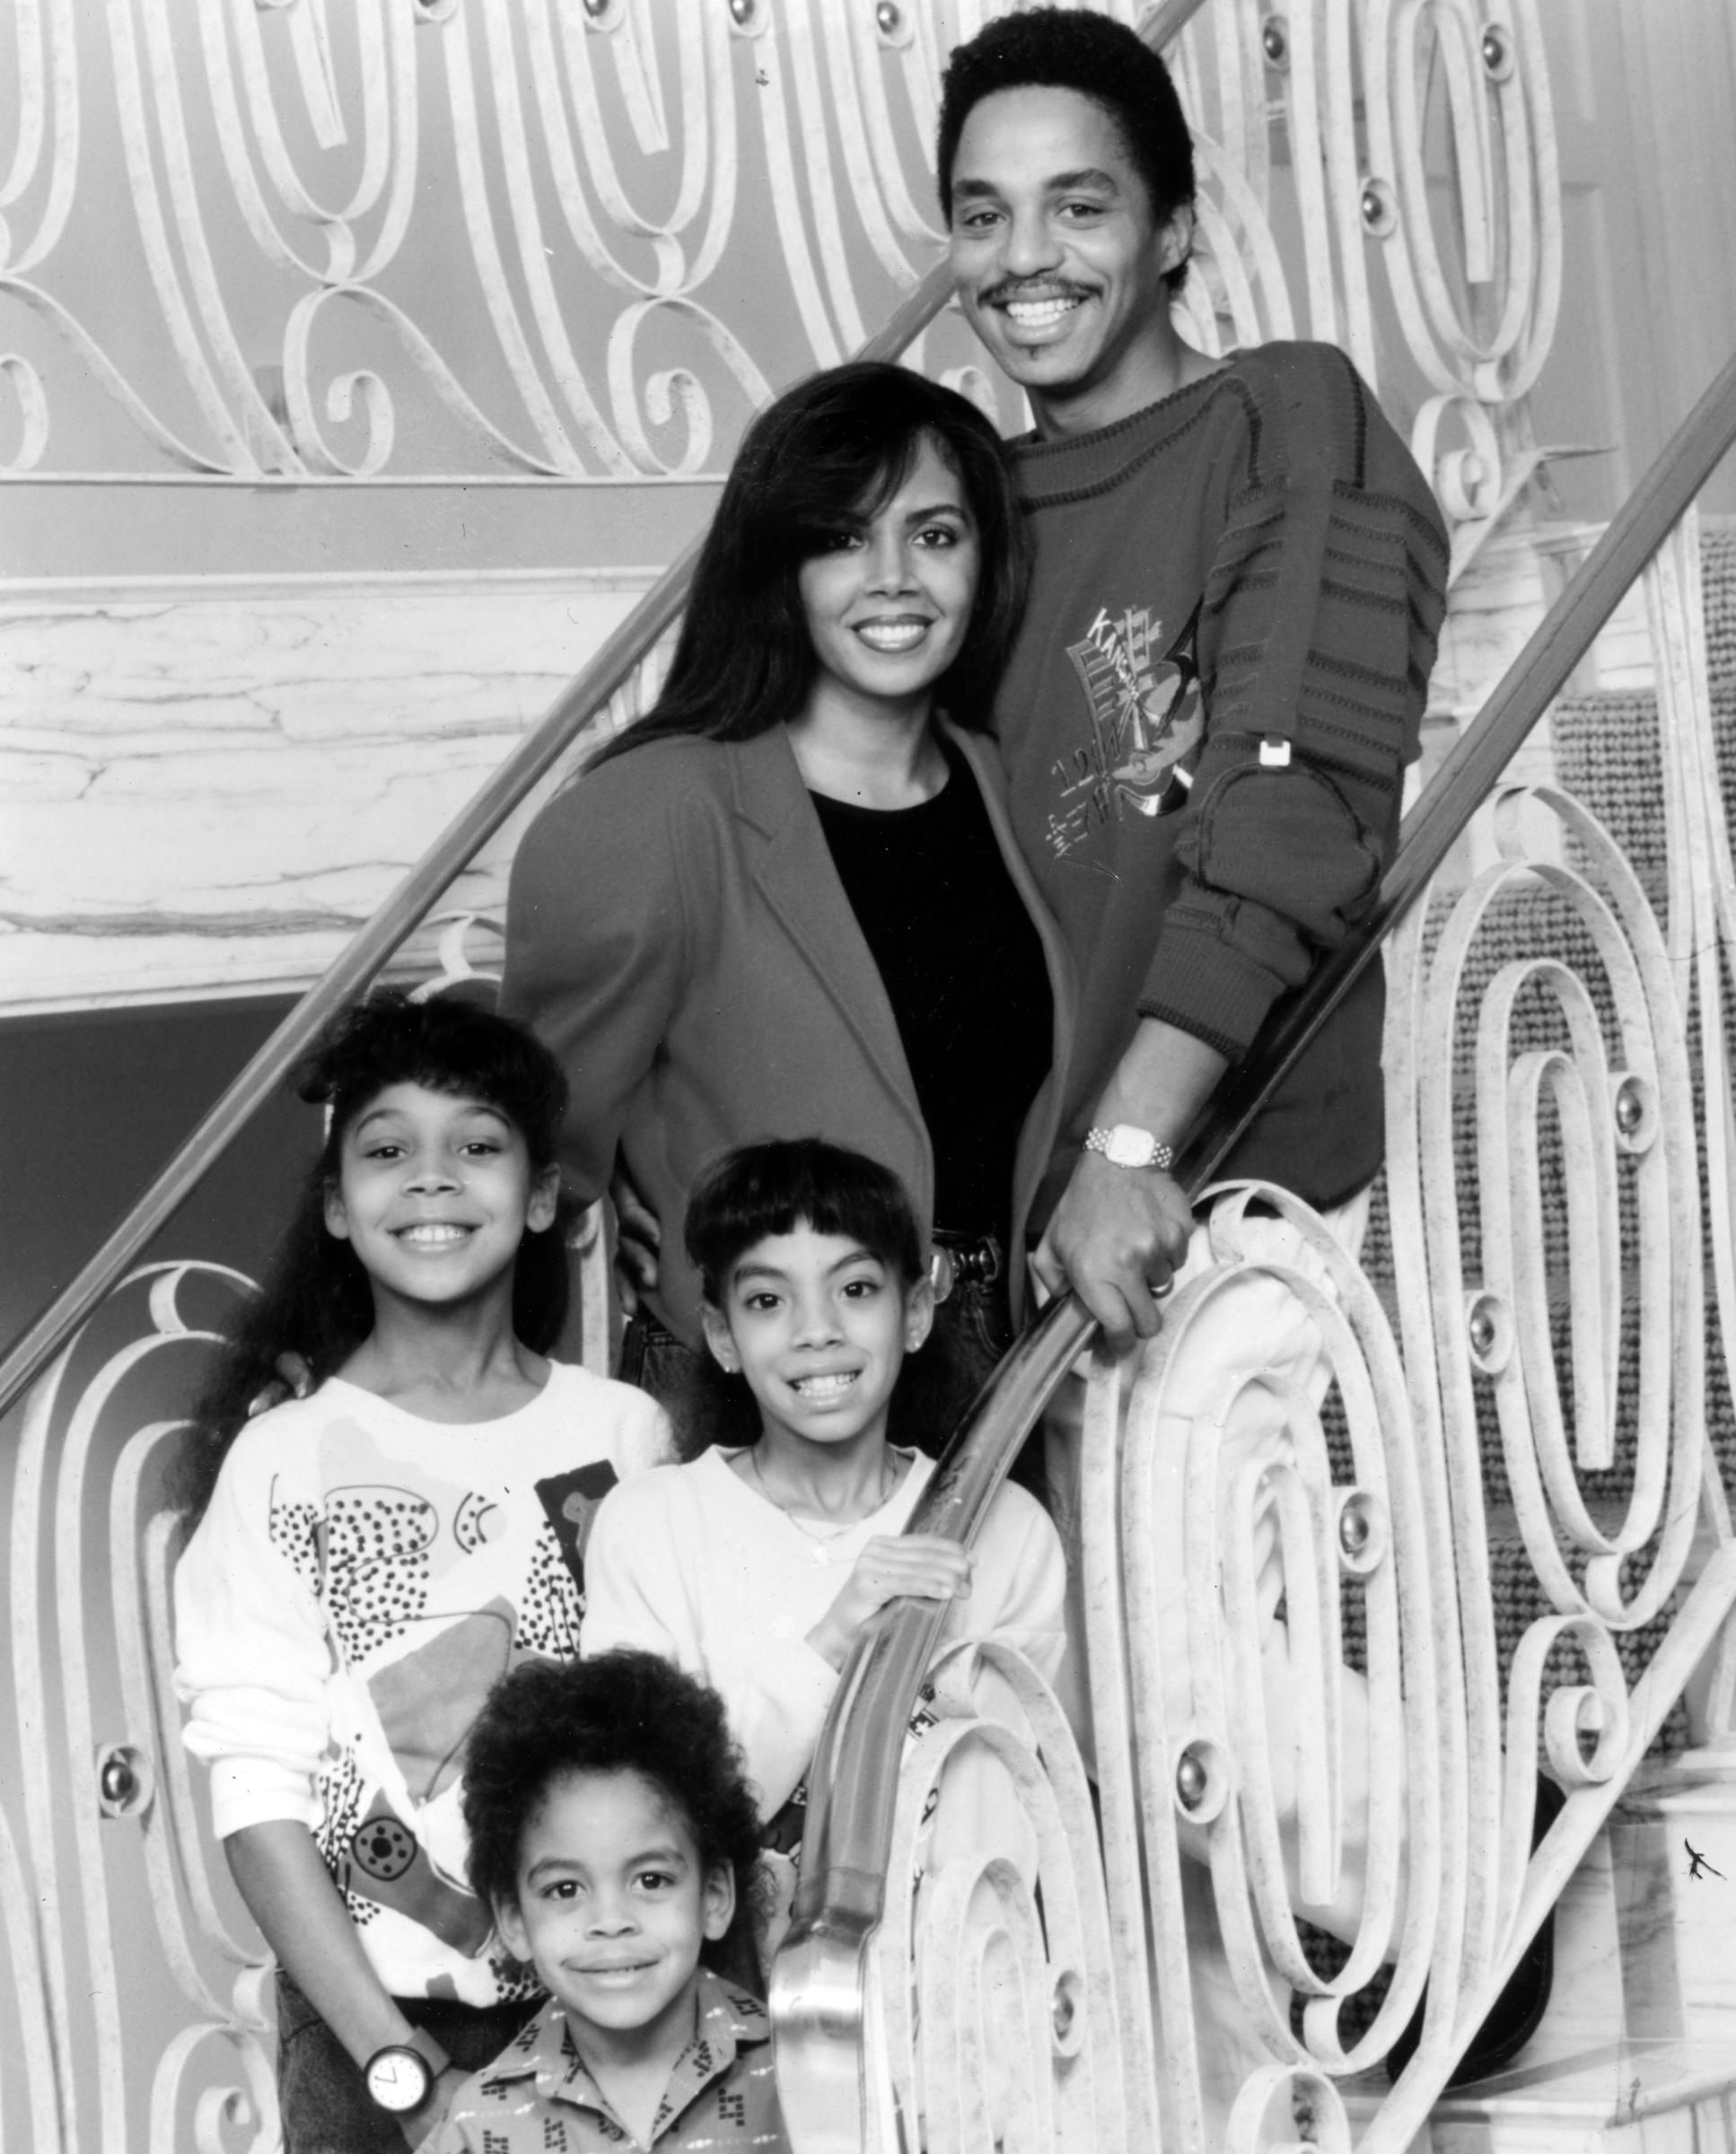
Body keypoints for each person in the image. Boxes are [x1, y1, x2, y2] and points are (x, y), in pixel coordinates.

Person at [934, 5, 1449, 1337]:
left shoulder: (1282, 415)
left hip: (1207, 1199)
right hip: (994, 1229)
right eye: (981, 215)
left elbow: (1299, 812)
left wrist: (1129, 1151)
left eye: (1078, 206)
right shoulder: (957, 510)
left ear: (1169, 231)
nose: (1023, 258)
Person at [500, 362, 1073, 1453]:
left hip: (987, 1371)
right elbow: (521, 1154)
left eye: (936, 536)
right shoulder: (655, 812)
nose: (894, 578)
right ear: (778, 566)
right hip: (742, 1394)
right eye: (843, 538)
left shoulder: (1002, 784)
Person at [173, 994, 670, 2154]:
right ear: (339, 1207)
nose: (434, 1179)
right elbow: (259, 1792)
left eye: (478, 1146)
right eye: (388, 1149)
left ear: (542, 1195)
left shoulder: (623, 1436)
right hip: (371, 2040)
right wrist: (401, 2072)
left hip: (605, 2016)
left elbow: (663, 1745)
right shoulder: (281, 1458)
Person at [580, 1139, 1065, 1939]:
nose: (817, 1330)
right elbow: (646, 1827)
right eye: (769, 1301)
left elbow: (1014, 1832)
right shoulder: (652, 1523)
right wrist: (835, 1635)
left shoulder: (1007, 1528)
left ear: (914, 1314)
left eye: (856, 1289)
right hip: (720, 2020)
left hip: (949, 2011)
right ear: (724, 1337)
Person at [432, 1650, 786, 2154]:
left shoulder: (801, 2075)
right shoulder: (478, 2122)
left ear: (713, 1896)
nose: (611, 1921)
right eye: (565, 1890)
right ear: (514, 1920)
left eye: (651, 1880)